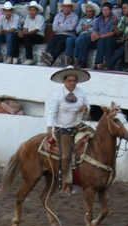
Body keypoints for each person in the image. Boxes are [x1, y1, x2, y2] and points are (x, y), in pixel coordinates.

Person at [46, 68, 90, 196]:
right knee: (65, 156)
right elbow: (52, 112)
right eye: (70, 80)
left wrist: (85, 108)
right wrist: (49, 128)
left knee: (95, 139)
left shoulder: (81, 92)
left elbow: (88, 105)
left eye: (74, 81)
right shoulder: (57, 94)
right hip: (63, 128)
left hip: (79, 126)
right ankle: (65, 184)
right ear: (64, 81)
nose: (72, 83)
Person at [40, 0, 79, 66]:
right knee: (52, 40)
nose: (66, 8)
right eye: (65, 7)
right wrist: (65, 26)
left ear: (71, 8)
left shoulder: (75, 16)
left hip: (68, 35)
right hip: (58, 34)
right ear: (63, 7)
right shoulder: (58, 16)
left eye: (68, 7)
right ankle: (48, 55)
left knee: (60, 44)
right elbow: (54, 28)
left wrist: (60, 24)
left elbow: (71, 28)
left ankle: (51, 59)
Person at [107, 0, 128, 69]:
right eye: (122, 8)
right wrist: (114, 25)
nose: (123, 10)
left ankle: (109, 64)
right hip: (123, 38)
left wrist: (125, 39)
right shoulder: (122, 18)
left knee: (126, 44)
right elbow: (119, 32)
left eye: (125, 8)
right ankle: (109, 61)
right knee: (109, 40)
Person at [66, 1, 100, 67]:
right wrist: (87, 27)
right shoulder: (82, 20)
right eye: (87, 11)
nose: (88, 13)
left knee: (81, 39)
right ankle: (70, 58)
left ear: (93, 12)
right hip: (81, 35)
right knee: (69, 39)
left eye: (90, 11)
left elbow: (94, 30)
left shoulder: (97, 20)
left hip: (91, 37)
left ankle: (79, 60)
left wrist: (85, 27)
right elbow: (77, 30)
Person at [90, 2, 117, 70]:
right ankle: (80, 61)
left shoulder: (114, 19)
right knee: (82, 39)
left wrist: (99, 37)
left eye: (107, 10)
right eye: (103, 10)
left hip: (108, 38)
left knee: (102, 41)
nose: (105, 12)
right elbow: (94, 29)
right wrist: (96, 35)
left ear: (110, 10)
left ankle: (98, 63)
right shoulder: (99, 18)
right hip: (98, 37)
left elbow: (112, 33)